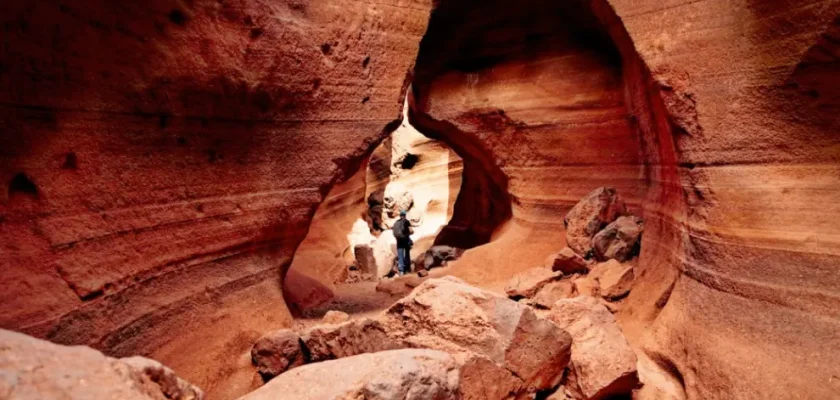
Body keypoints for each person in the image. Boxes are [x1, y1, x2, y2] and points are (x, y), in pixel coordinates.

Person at [392, 210, 413, 275]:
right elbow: (411, 231)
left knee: (400, 255)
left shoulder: (396, 222)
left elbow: (394, 233)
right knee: (407, 254)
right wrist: (409, 233)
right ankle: (407, 269)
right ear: (405, 215)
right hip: (405, 240)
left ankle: (401, 270)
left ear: (400, 215)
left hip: (399, 241)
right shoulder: (406, 222)